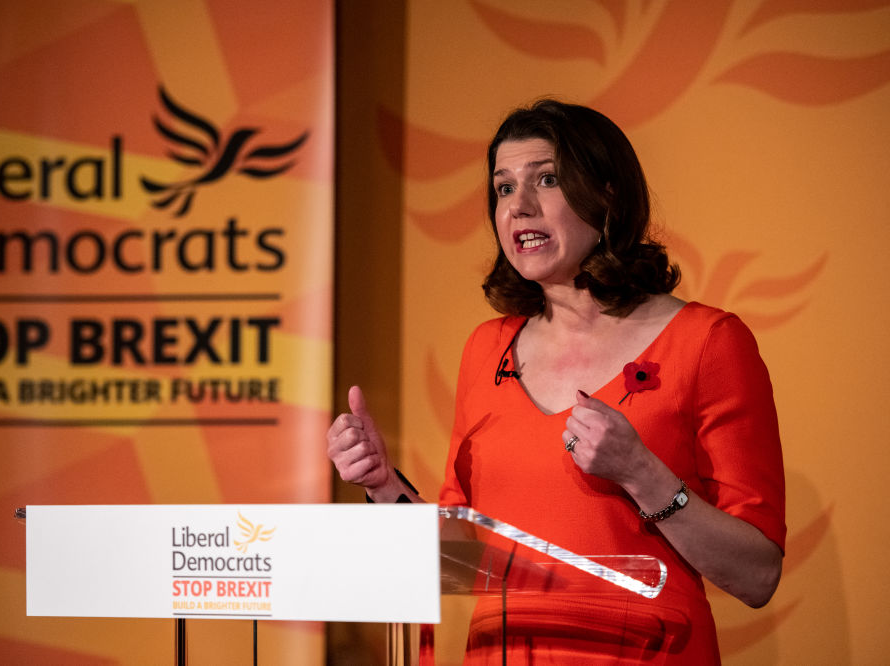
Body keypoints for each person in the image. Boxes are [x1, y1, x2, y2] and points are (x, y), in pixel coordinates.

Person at [327, 98, 785, 663]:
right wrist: (382, 486)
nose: (518, 206)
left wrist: (642, 475)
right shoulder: (485, 349)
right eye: (502, 187)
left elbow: (758, 574)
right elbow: (462, 558)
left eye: (546, 179)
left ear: (608, 195)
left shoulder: (708, 342)